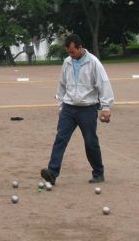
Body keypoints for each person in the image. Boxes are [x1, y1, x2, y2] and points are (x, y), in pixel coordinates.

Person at [41, 34, 114, 186]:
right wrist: (61, 105)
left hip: (87, 108)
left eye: (73, 52)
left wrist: (106, 107)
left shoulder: (93, 62)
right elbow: (61, 85)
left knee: (90, 142)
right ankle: (52, 173)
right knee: (60, 138)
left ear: (80, 47)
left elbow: (104, 84)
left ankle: (98, 173)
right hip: (68, 108)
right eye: (68, 52)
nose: (71, 55)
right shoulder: (67, 62)